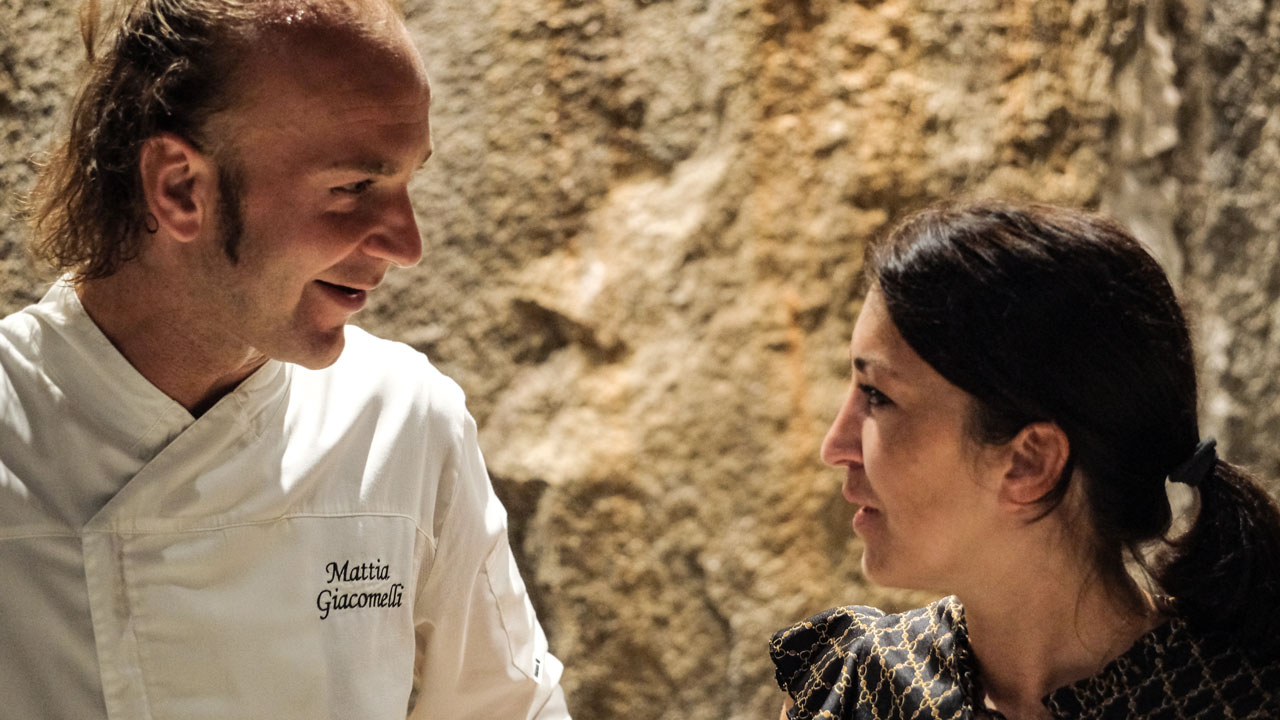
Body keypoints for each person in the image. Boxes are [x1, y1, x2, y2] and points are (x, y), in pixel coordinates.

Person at [0, 1, 571, 717]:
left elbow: (505, 707)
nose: (406, 243)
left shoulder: (403, 420)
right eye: (353, 188)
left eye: (406, 184)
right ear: (181, 188)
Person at [770, 201, 1280, 719]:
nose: (834, 446)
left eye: (877, 396)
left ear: (1030, 462)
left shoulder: (1245, 701)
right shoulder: (855, 689)